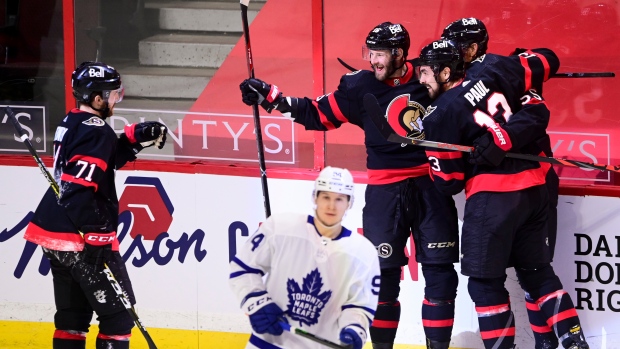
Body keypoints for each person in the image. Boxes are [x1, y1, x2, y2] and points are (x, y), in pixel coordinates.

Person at [239, 22, 460, 349]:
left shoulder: (429, 77)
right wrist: (271, 98)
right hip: (386, 195)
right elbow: (317, 114)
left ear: (399, 53)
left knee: (440, 276)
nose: (373, 60)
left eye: (380, 53)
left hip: (432, 188)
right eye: (370, 52)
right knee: (383, 280)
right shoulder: (360, 87)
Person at [418, 39, 589, 349]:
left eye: (426, 72)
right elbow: (538, 91)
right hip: (536, 189)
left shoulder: (440, 114)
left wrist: (454, 155)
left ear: (445, 73)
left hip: (493, 199)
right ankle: (576, 343)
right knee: (537, 272)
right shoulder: (494, 71)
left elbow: (449, 181)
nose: (421, 80)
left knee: (485, 286)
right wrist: (503, 137)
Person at [22, 61, 167, 349]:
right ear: (98, 99)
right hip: (80, 236)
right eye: (114, 94)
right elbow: (78, 188)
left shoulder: (73, 120)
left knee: (72, 319)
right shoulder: (97, 130)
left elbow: (95, 163)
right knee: (119, 319)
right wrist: (96, 231)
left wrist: (131, 140)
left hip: (54, 230)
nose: (117, 99)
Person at [441, 18, 562, 349]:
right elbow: (548, 63)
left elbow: (547, 69)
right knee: (532, 272)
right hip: (529, 184)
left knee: (527, 273)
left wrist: (499, 139)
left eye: (459, 46)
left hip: (519, 185)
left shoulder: (495, 73)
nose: (453, 52)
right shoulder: (491, 74)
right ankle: (548, 344)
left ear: (476, 47)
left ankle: (546, 344)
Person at [228, 166, 380, 349]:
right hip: (267, 343)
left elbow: (360, 305)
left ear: (349, 203)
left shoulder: (363, 253)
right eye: (326, 197)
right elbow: (244, 268)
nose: (331, 206)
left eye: (339, 199)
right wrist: (257, 302)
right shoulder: (280, 227)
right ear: (315, 197)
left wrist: (354, 329)